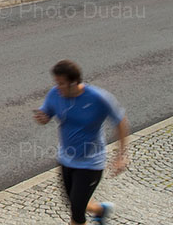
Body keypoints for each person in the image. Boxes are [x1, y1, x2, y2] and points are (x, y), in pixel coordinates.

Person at [33, 60, 129, 225]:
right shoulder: (55, 94)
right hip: (66, 158)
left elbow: (120, 121)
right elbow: (46, 114)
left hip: (90, 162)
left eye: (61, 83)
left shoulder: (98, 98)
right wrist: (42, 118)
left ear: (74, 82)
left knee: (76, 214)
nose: (58, 87)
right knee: (73, 202)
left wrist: (121, 155)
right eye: (56, 82)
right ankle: (101, 210)